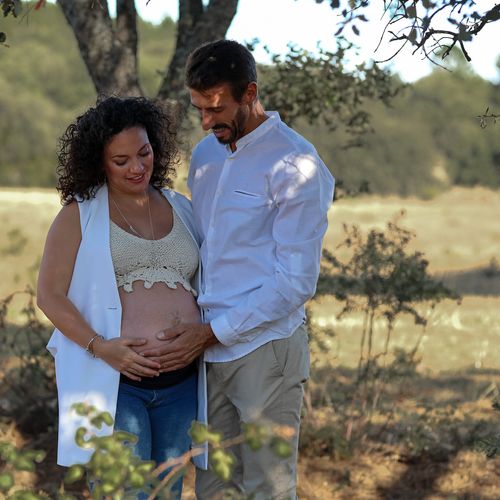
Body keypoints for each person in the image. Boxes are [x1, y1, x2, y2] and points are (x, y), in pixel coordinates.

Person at [142, 40, 335, 499]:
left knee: (266, 487)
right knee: (213, 487)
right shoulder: (207, 155)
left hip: (264, 350)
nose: (208, 123)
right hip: (205, 351)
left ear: (250, 93)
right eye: (199, 110)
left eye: (217, 109)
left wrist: (215, 332)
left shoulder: (297, 166)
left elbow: (296, 282)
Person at [37, 96, 207, 499]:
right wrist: (102, 347)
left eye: (144, 153)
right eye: (121, 160)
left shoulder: (181, 208)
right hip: (115, 384)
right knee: (126, 493)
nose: (137, 167)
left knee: (167, 492)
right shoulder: (80, 214)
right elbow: (49, 295)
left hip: (181, 384)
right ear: (99, 162)